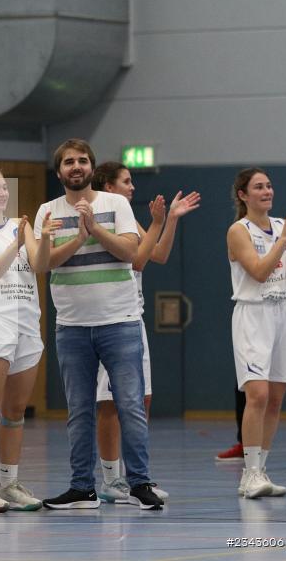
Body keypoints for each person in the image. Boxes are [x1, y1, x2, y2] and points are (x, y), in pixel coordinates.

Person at [37, 138, 164, 511]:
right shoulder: (48, 210)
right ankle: (82, 487)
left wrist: (94, 229)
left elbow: (131, 253)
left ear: (91, 167)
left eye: (81, 161)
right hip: (72, 326)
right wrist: (76, 237)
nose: (75, 167)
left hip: (119, 322)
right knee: (78, 410)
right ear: (59, 171)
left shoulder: (117, 203)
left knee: (130, 405)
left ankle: (139, 484)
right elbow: (44, 264)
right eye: (68, 162)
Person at [90, 162, 200, 503]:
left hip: (132, 316)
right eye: (126, 181)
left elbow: (158, 254)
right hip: (111, 319)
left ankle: (136, 477)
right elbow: (137, 260)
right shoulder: (100, 216)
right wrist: (156, 222)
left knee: (142, 399)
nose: (132, 186)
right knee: (110, 400)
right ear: (108, 186)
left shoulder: (125, 215)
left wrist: (172, 220)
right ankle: (111, 478)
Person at [0, 168, 60, 512]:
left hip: (26, 322)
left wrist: (43, 238)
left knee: (16, 410)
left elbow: (39, 264)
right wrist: (15, 244)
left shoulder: (22, 224)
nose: (2, 192)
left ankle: (9, 482)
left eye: (4, 187)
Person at [227, 167, 286, 498]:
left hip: (282, 312)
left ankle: (261, 472)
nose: (267, 191)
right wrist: (285, 237)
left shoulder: (282, 227)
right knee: (256, 395)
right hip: (253, 314)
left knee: (276, 397)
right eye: (259, 187)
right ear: (243, 195)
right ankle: (250, 472)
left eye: (269, 185)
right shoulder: (238, 231)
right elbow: (258, 272)